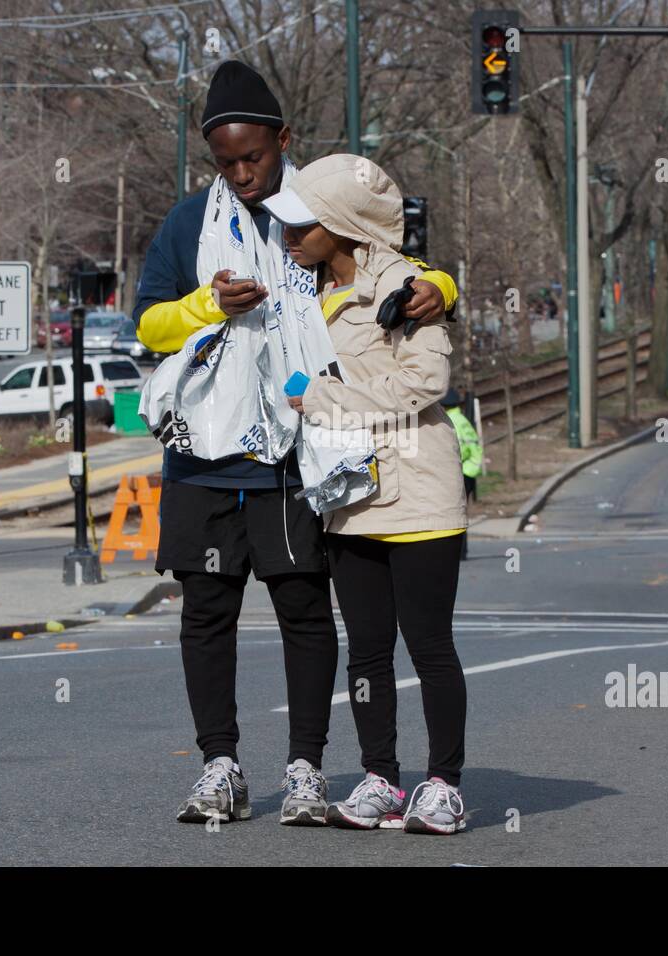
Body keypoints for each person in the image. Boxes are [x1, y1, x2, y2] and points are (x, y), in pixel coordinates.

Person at [132, 61, 458, 827]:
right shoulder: (187, 225)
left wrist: (445, 284)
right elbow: (145, 326)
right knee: (205, 616)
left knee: (305, 614)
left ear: (285, 139)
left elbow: (389, 264)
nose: (243, 174)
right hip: (204, 461)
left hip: (294, 461)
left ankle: (306, 769)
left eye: (256, 157)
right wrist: (203, 305)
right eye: (227, 163)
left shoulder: (319, 213)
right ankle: (220, 765)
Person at [265, 154, 470, 835]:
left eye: (304, 225)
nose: (289, 237)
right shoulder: (301, 293)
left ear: (344, 224)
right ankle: (380, 778)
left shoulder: (408, 290)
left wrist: (318, 399)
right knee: (369, 652)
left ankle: (443, 785)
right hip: (349, 497)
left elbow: (423, 385)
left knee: (430, 647)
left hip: (418, 494)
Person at [440, 388, 482, 561]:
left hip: (461, 471)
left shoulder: (451, 421)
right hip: (470, 471)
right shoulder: (462, 419)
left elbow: (458, 449)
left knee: (454, 515)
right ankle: (462, 551)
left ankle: (459, 552)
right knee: (461, 513)